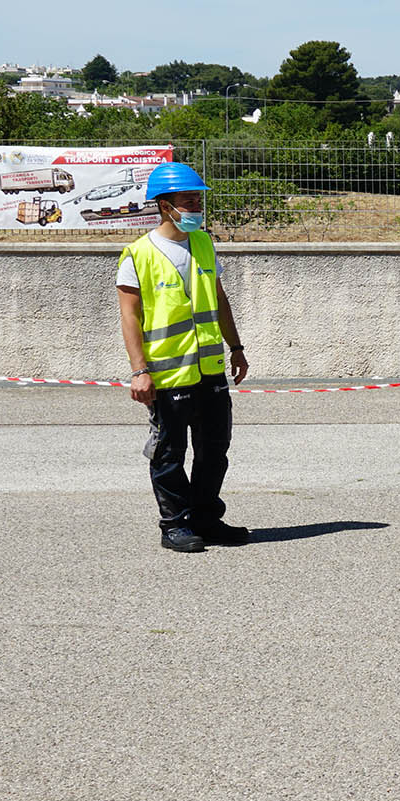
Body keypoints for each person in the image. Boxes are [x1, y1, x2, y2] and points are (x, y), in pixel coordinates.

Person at [117, 163, 250, 552]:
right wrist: (139, 371)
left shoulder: (204, 244)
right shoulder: (138, 255)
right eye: (188, 199)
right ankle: (174, 525)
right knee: (170, 453)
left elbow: (220, 300)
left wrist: (236, 348)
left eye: (198, 198)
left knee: (214, 451)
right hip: (167, 373)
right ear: (164, 206)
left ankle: (207, 520)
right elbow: (130, 316)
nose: (196, 205)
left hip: (210, 370)